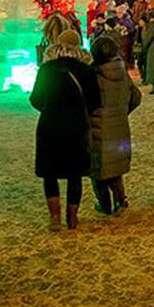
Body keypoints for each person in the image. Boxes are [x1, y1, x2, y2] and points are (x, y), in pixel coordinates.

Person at [29, 29, 101, 231]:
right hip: (76, 126)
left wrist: (50, 108)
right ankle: (72, 218)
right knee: (74, 173)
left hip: (49, 125)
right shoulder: (86, 70)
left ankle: (54, 217)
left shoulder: (46, 69)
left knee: (49, 173)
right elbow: (95, 101)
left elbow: (35, 99)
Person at [88, 35, 141, 216]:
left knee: (99, 169)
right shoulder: (122, 72)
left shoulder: (93, 74)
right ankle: (121, 200)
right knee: (115, 168)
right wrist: (121, 113)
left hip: (98, 128)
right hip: (119, 126)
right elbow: (136, 98)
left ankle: (105, 205)